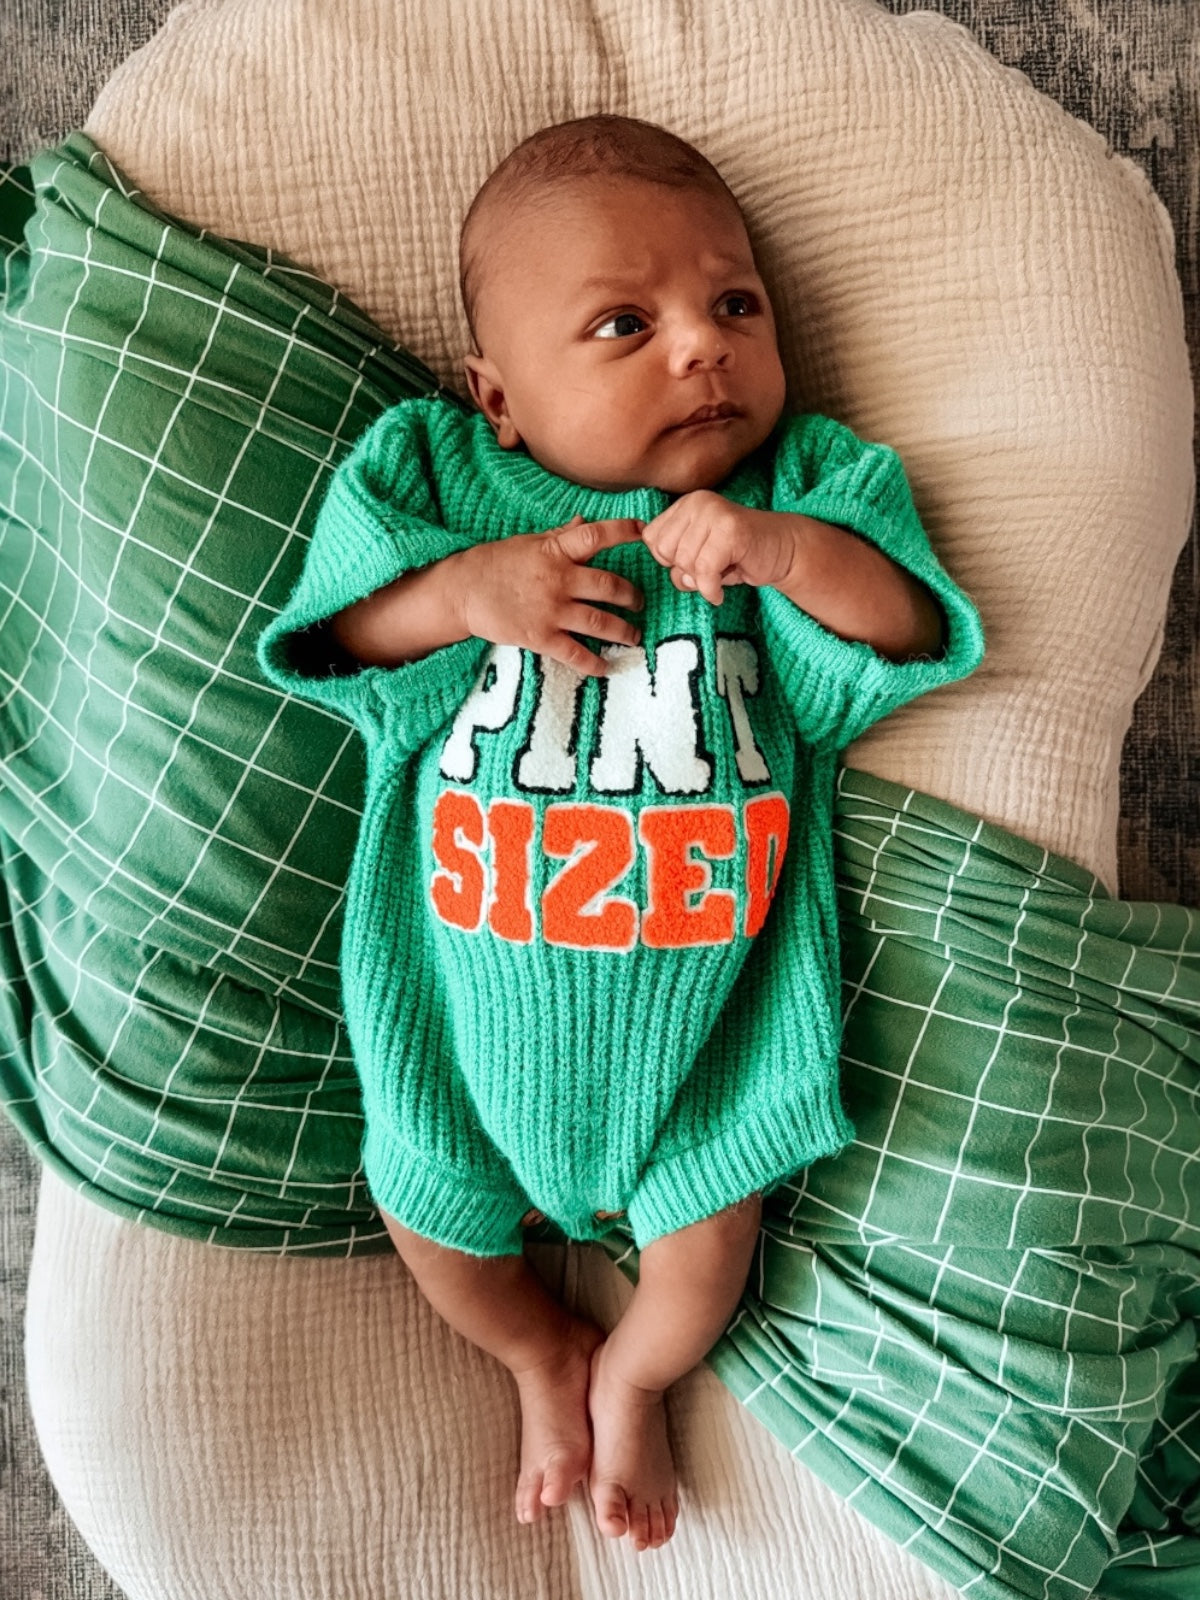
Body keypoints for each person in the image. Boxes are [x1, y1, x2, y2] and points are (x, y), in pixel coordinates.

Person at [257, 114, 984, 1554]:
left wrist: (783, 557)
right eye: (623, 323)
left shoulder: (796, 492)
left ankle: (636, 1376)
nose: (702, 348)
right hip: (459, 1031)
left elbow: (905, 632)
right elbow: (338, 637)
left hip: (709, 1039)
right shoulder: (446, 483)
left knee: (708, 1249)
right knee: (434, 1229)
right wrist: (464, 596)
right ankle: (542, 1354)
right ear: (501, 398)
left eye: (735, 305)